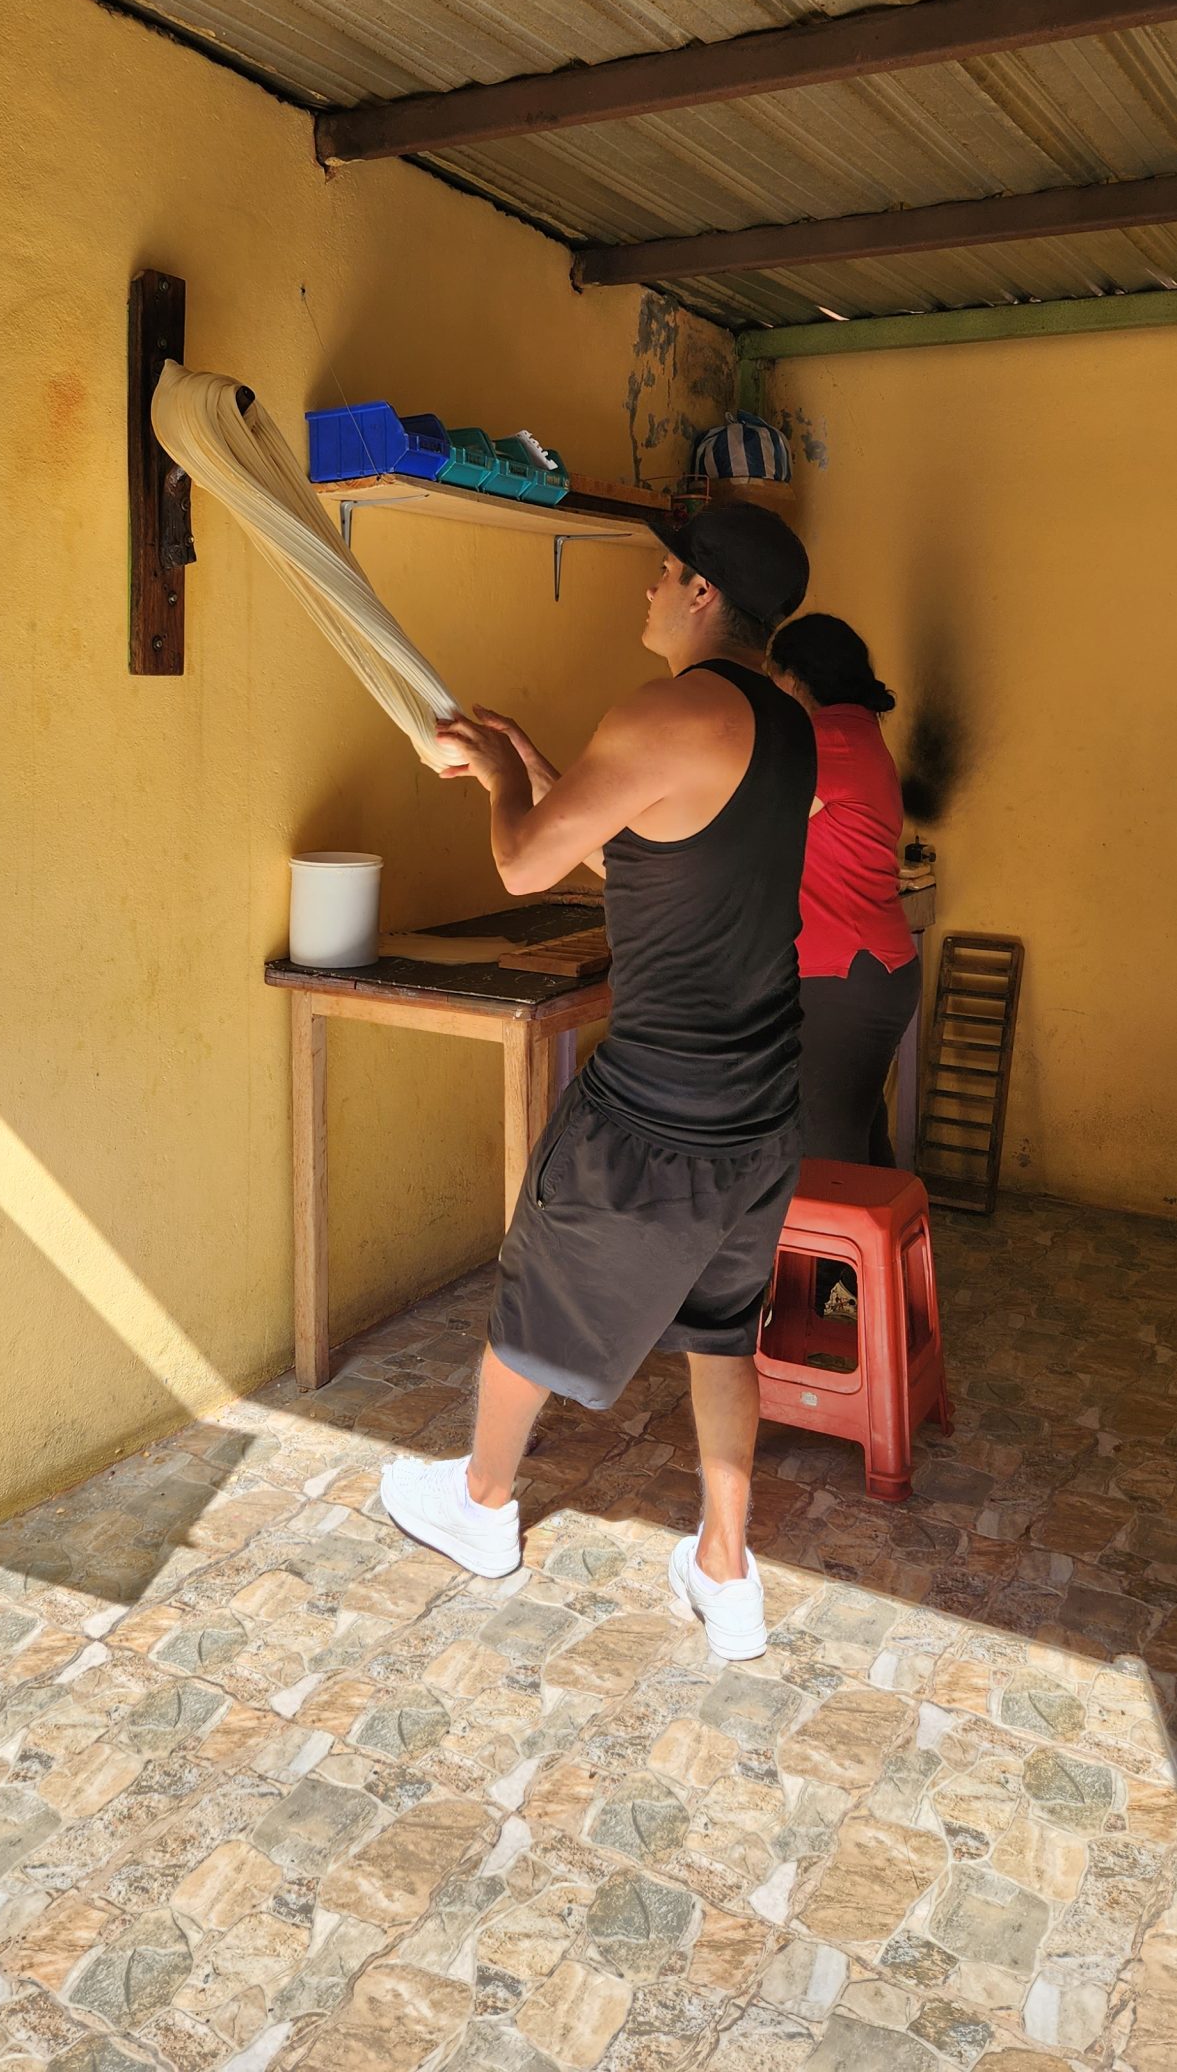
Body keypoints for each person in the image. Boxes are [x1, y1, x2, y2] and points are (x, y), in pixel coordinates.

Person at [380, 502, 814, 1660]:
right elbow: (656, 830)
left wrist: (487, 781)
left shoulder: (666, 709)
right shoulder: (785, 722)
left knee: (534, 1301)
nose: (649, 591)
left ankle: (478, 1505)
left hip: (655, 1110)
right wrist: (540, 770)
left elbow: (525, 864)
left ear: (705, 596)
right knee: (720, 1333)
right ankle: (726, 1572)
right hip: (758, 1102)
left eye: (665, 573)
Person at [767, 613, 919, 1167]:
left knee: (826, 1162)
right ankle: (883, 1252)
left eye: (771, 677)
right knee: (857, 1140)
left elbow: (735, 788)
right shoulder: (854, 732)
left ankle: (841, 1256)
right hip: (865, 970)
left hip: (846, 973)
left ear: (795, 680)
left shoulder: (825, 737)